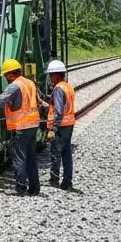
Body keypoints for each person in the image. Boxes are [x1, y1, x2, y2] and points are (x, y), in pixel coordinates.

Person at [0, 58, 41, 195]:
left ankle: (21, 188)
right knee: (30, 157)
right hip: (33, 125)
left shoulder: (14, 86)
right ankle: (34, 188)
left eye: (6, 75)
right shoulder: (29, 83)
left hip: (21, 127)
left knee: (20, 157)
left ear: (11, 74)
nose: (6, 78)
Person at [45, 59, 76, 191]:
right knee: (66, 153)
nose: (50, 78)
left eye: (52, 75)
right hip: (69, 124)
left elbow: (58, 111)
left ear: (58, 74)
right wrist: (43, 102)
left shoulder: (58, 89)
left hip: (61, 126)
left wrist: (53, 128)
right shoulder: (67, 86)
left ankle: (54, 180)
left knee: (55, 153)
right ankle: (67, 181)